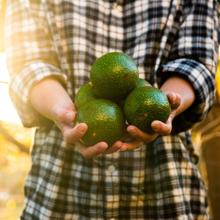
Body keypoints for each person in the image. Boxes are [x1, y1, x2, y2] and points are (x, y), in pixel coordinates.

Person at [5, 0, 218, 219]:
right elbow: (28, 63)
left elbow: (196, 62)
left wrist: (167, 105)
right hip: (59, 193)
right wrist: (61, 110)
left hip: (166, 191)